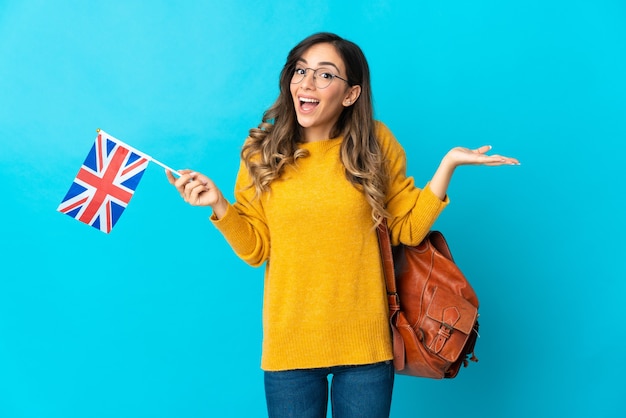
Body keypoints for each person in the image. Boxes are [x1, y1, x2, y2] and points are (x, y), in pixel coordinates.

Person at [167, 32, 519, 418]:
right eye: (300, 71)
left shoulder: (375, 144)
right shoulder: (260, 152)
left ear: (350, 94)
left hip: (366, 346)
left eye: (324, 74)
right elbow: (256, 250)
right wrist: (219, 204)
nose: (306, 82)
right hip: (290, 345)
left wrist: (447, 165)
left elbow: (407, 229)